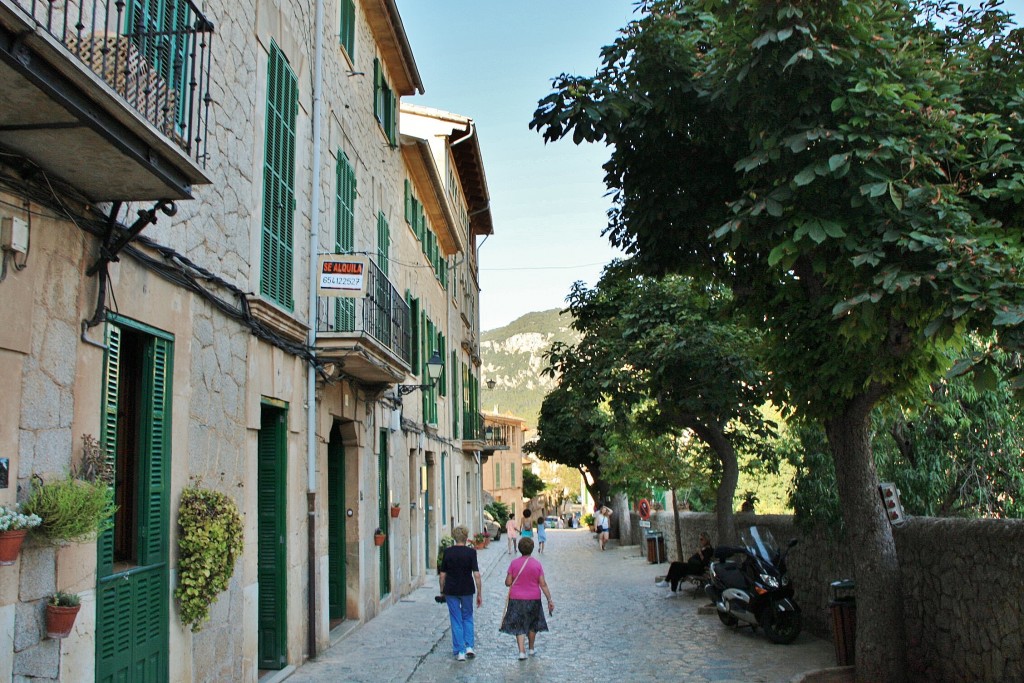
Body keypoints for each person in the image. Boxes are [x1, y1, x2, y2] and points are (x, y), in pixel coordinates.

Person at [499, 536, 554, 660]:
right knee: (532, 624)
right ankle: (531, 648)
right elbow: (543, 583)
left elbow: (508, 582)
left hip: (517, 599)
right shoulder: (537, 564)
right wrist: (549, 599)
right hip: (533, 598)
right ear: (532, 549)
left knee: (519, 624)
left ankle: (521, 652)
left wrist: (511, 579)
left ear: (519, 549)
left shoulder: (514, 563)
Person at [439, 525, 483, 661]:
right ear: (466, 538)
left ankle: (460, 651)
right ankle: (469, 646)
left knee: (456, 619)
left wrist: (442, 590)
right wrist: (479, 592)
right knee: (468, 616)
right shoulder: (471, 553)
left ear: (454, 537)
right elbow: (476, 574)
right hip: (467, 589)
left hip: (451, 590)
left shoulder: (448, 552)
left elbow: (442, 575)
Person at [657, 531, 714, 595]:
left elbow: (705, 562)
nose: (700, 541)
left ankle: (669, 585)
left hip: (697, 569)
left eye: (702, 539)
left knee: (675, 565)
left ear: (706, 539)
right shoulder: (704, 548)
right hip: (692, 566)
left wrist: (700, 553)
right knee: (675, 567)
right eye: (699, 539)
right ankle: (670, 587)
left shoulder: (709, 549)